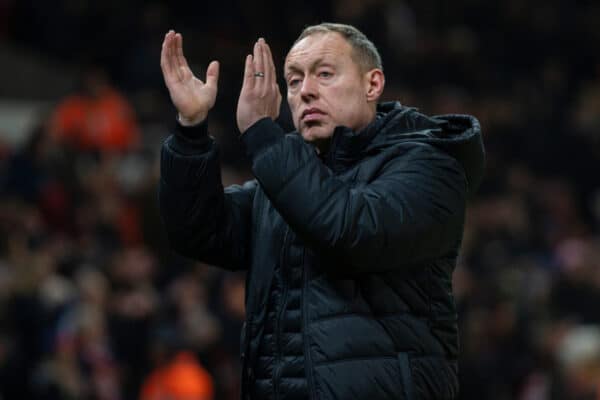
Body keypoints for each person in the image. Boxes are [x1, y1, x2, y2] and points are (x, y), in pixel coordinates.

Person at [159, 23, 485, 400]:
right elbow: (197, 232)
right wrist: (191, 130)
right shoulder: (285, 181)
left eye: (324, 74)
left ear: (372, 85)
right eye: (294, 82)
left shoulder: (429, 166)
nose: (306, 91)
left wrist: (263, 135)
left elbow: (350, 232)